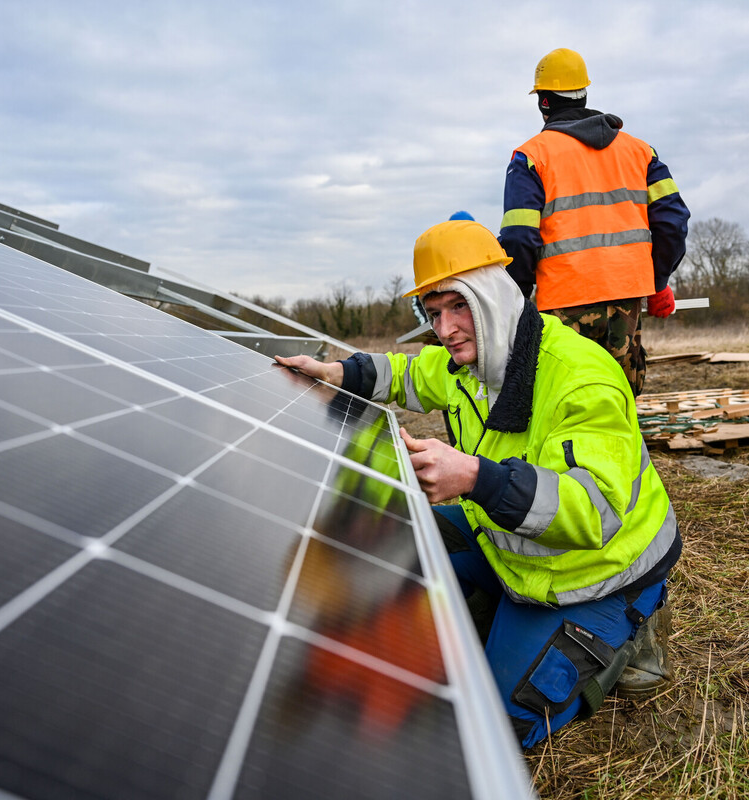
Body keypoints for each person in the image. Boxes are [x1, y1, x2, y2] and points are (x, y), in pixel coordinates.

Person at [275, 219, 682, 749]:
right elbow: (404, 374)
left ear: (492, 295)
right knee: (397, 529)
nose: (444, 329)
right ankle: (490, 607)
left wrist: (474, 478)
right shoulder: (463, 363)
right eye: (433, 312)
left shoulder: (581, 375)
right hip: (512, 553)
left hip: (595, 575)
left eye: (458, 305)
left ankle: (630, 634)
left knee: (493, 726)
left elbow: (593, 511)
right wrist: (337, 373)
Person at [498, 48, 690, 397]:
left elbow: (518, 237)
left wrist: (519, 299)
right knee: (619, 400)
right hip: (627, 298)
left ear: (543, 102)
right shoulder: (640, 151)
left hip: (561, 303)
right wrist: (657, 280)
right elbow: (673, 221)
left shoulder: (531, 157)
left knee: (568, 400)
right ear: (584, 93)